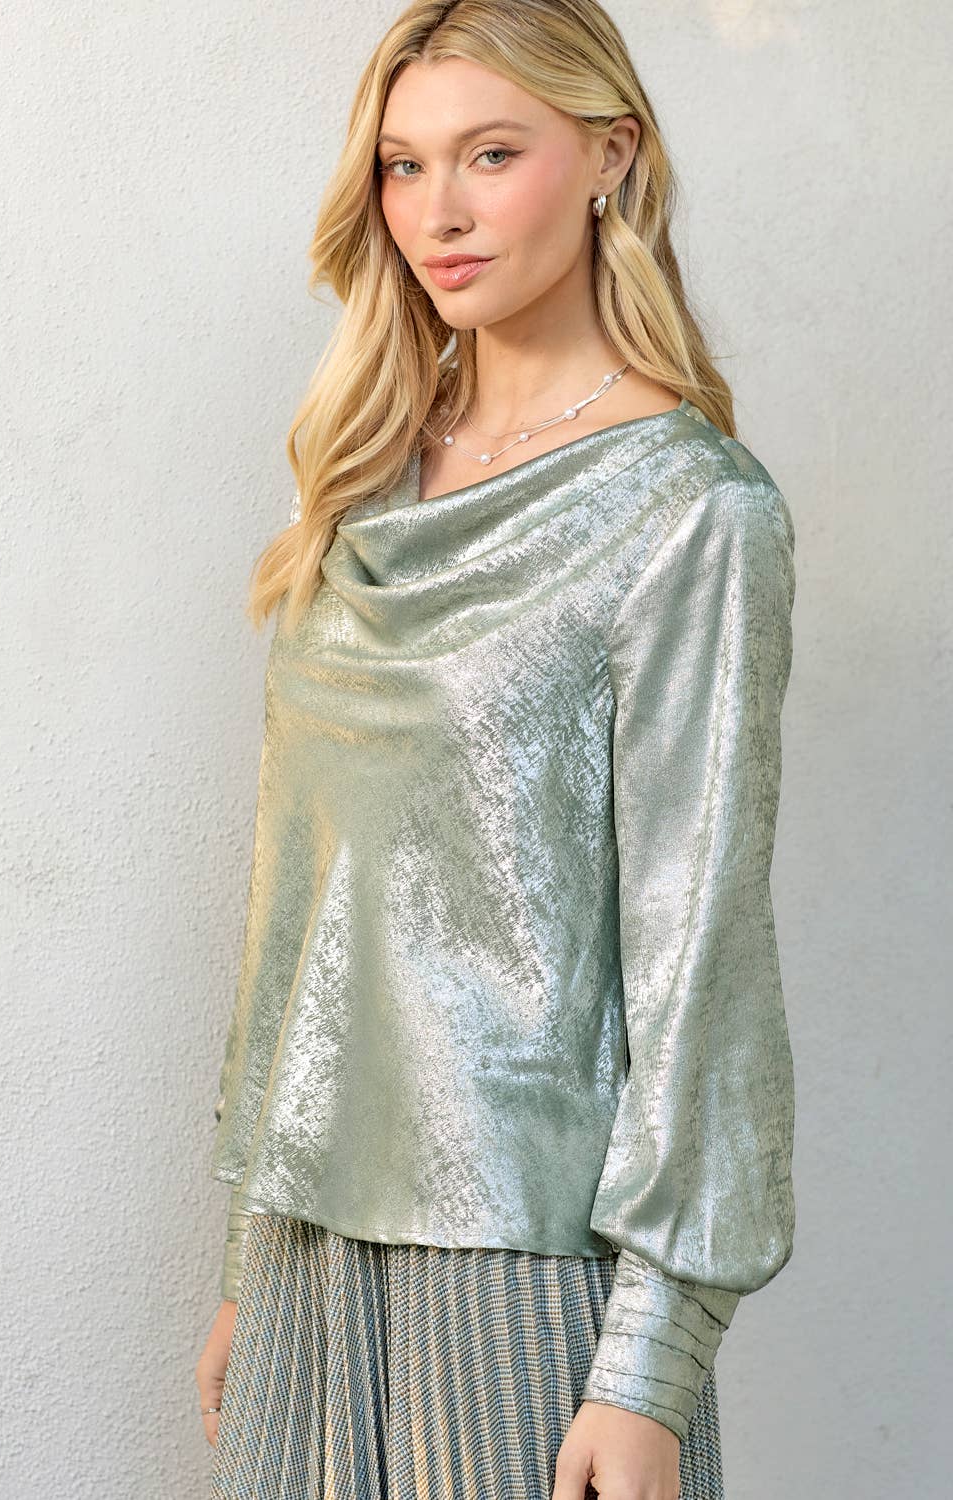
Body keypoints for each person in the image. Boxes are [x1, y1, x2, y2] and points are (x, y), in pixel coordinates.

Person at [196, 3, 798, 1497]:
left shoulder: (691, 514)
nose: (437, 214)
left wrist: (652, 1365)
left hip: (527, 1279)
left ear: (612, 155)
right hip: (308, 1256)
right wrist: (247, 1266)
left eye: (490, 154)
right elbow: (301, 915)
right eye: (403, 165)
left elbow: (701, 964)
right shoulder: (359, 481)